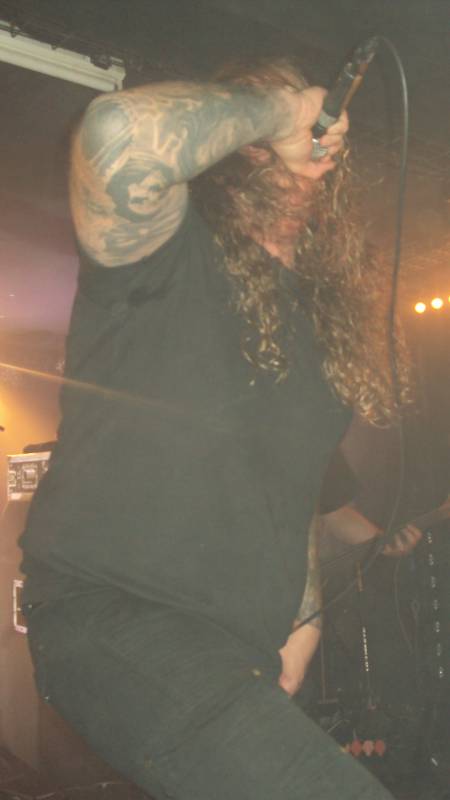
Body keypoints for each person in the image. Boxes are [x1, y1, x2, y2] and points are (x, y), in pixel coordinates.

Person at [20, 56, 410, 799]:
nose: (309, 141)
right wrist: (283, 111)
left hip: (234, 646)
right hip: (110, 611)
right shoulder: (163, 256)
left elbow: (292, 481)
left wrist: (302, 615)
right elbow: (118, 130)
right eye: (269, 125)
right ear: (232, 149)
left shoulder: (314, 315)